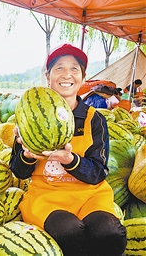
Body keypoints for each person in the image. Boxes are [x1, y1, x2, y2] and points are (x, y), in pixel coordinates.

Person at [9, 44, 127, 256]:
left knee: (109, 232)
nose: (67, 74)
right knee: (68, 231)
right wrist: (27, 155)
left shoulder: (94, 119)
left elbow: (99, 172)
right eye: (59, 68)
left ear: (83, 77)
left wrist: (70, 160)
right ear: (48, 75)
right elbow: (18, 171)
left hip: (91, 196)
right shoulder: (29, 115)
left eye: (74, 69)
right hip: (47, 197)